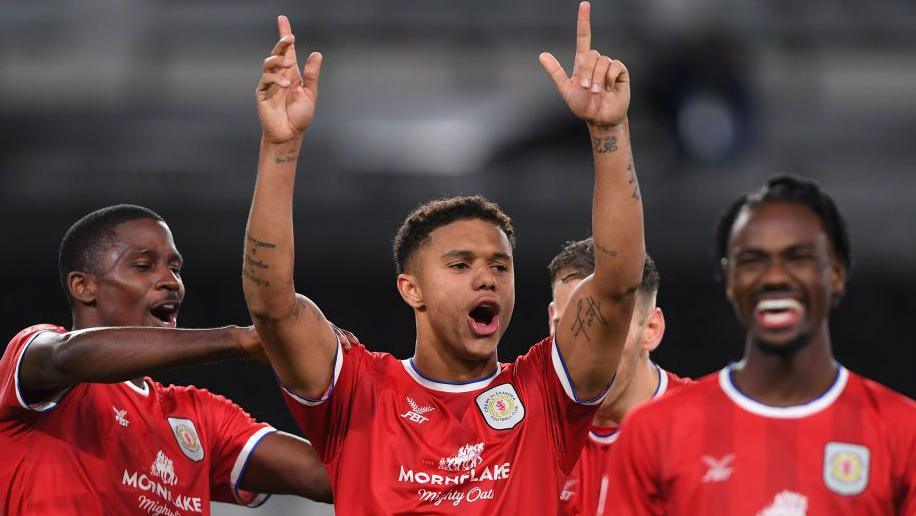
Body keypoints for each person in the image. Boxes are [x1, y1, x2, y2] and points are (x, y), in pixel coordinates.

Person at [242, 2, 645, 512]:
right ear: (411, 289)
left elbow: (616, 285)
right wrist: (281, 145)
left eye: (500, 266)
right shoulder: (357, 392)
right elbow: (271, 305)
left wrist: (609, 132)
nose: (487, 279)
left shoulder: (546, 393)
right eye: (460, 265)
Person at [0, 204, 343, 514]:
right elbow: (67, 354)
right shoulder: (39, 360)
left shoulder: (200, 417)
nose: (171, 282)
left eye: (175, 268)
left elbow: (324, 476)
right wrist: (235, 339)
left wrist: (349, 378)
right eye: (143, 266)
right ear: (83, 286)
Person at [608, 175, 916, 515]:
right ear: (729, 280)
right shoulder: (654, 431)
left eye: (798, 258)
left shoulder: (903, 431)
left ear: (836, 273)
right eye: (752, 261)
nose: (774, 277)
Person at [547, 238, 690, 515]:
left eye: (606, 328)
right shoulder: (525, 431)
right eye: (565, 327)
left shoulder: (703, 426)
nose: (584, 350)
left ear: (651, 328)